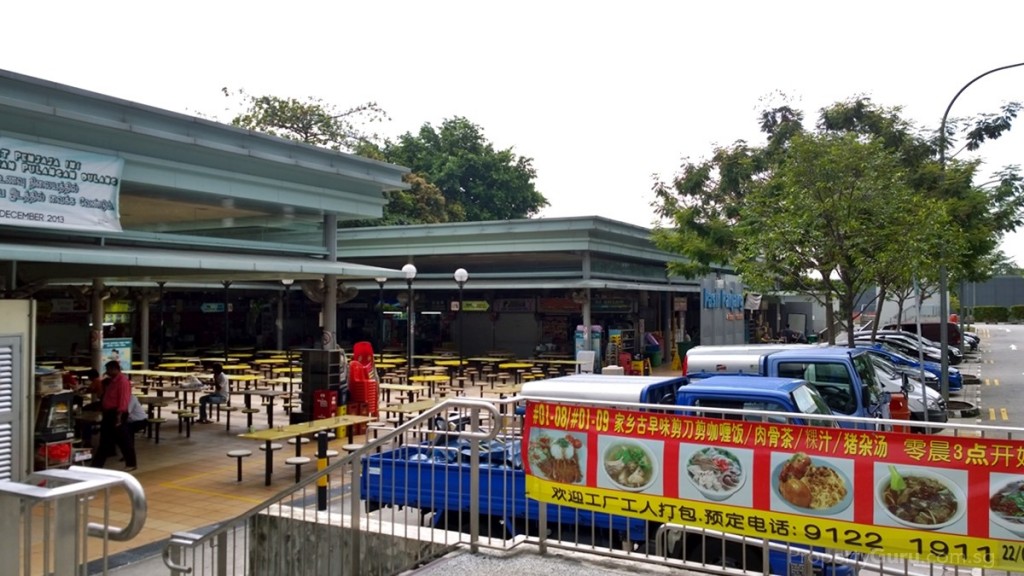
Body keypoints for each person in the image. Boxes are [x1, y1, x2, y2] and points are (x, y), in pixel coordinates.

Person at [92, 360, 134, 471]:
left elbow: (123, 399)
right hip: (109, 413)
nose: (107, 372)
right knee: (107, 440)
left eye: (108, 370)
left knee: (122, 440)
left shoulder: (122, 381)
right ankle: (97, 465)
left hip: (116, 413)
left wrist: (119, 416)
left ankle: (131, 463)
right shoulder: (112, 381)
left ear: (114, 369)